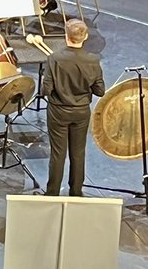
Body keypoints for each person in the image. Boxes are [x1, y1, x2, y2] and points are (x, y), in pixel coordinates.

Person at [42, 18, 104, 197]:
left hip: (58, 112)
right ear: (84, 37)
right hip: (81, 113)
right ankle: (76, 192)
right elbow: (100, 91)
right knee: (78, 153)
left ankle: (52, 193)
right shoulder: (93, 60)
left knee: (57, 154)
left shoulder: (54, 58)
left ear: (66, 36)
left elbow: (46, 89)